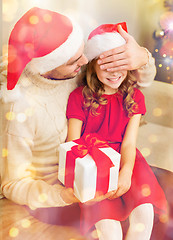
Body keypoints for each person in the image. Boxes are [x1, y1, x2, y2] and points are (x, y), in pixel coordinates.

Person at [1, 7, 156, 229]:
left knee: (150, 206)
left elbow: (137, 81)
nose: (85, 61)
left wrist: (142, 57)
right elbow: (12, 184)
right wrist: (63, 195)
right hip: (60, 189)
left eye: (83, 52)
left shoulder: (75, 71)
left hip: (99, 164)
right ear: (49, 66)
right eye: (75, 60)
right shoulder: (20, 110)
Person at [66, 22, 167, 240]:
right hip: (92, 163)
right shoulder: (78, 98)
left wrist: (126, 172)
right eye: (106, 65)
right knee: (109, 228)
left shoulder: (135, 97)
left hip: (128, 159)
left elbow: (129, 144)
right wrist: (88, 177)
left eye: (119, 64)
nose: (114, 72)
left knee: (144, 212)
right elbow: (73, 143)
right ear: (92, 65)